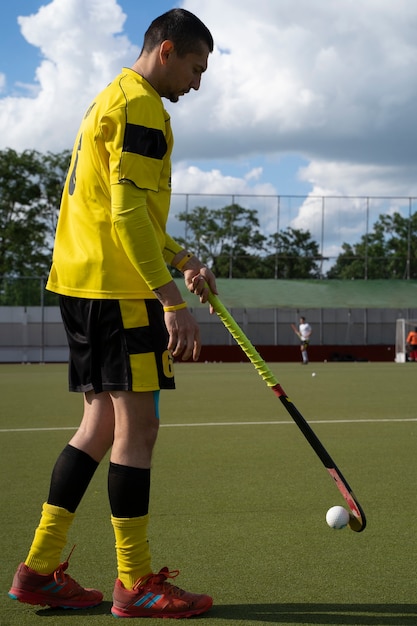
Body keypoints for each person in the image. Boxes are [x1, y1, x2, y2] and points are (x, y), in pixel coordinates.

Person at [8, 9, 217, 620]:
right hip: (119, 291)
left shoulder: (112, 97)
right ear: (168, 50)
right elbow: (125, 219)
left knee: (98, 425)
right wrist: (169, 299)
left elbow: (125, 210)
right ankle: (137, 583)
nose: (197, 84)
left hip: (83, 284)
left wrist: (180, 257)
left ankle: (40, 570)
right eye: (196, 68)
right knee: (138, 430)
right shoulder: (144, 106)